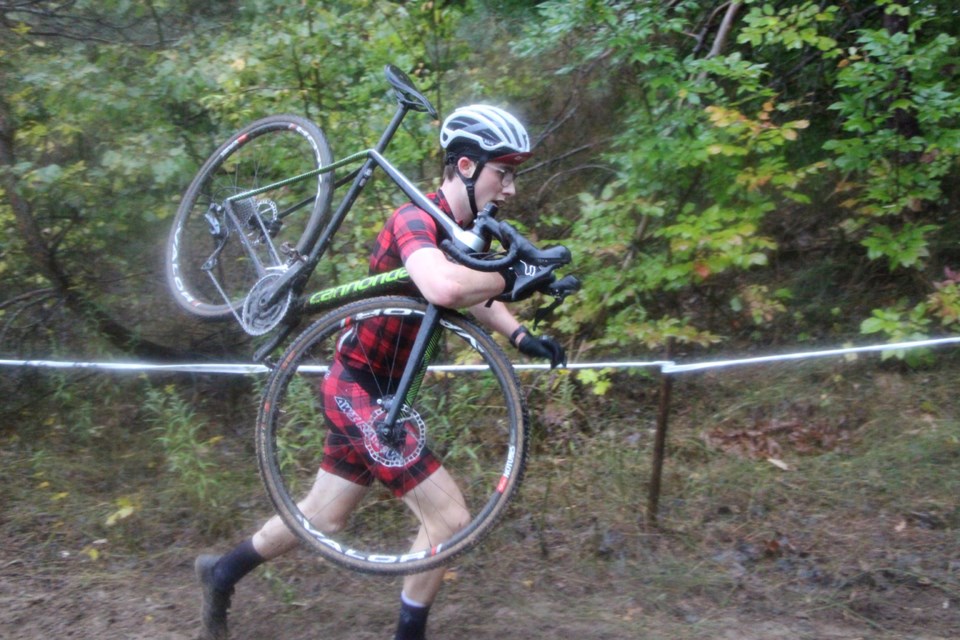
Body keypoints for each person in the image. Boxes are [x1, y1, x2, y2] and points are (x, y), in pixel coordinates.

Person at [194, 104, 566, 640]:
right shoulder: (414, 218)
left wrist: (521, 334)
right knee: (450, 521)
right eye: (501, 173)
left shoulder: (468, 233)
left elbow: (474, 293)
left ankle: (221, 573)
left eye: (512, 176)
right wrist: (512, 277)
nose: (509, 189)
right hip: (358, 386)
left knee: (322, 517)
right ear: (465, 167)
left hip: (384, 393)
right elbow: (444, 287)